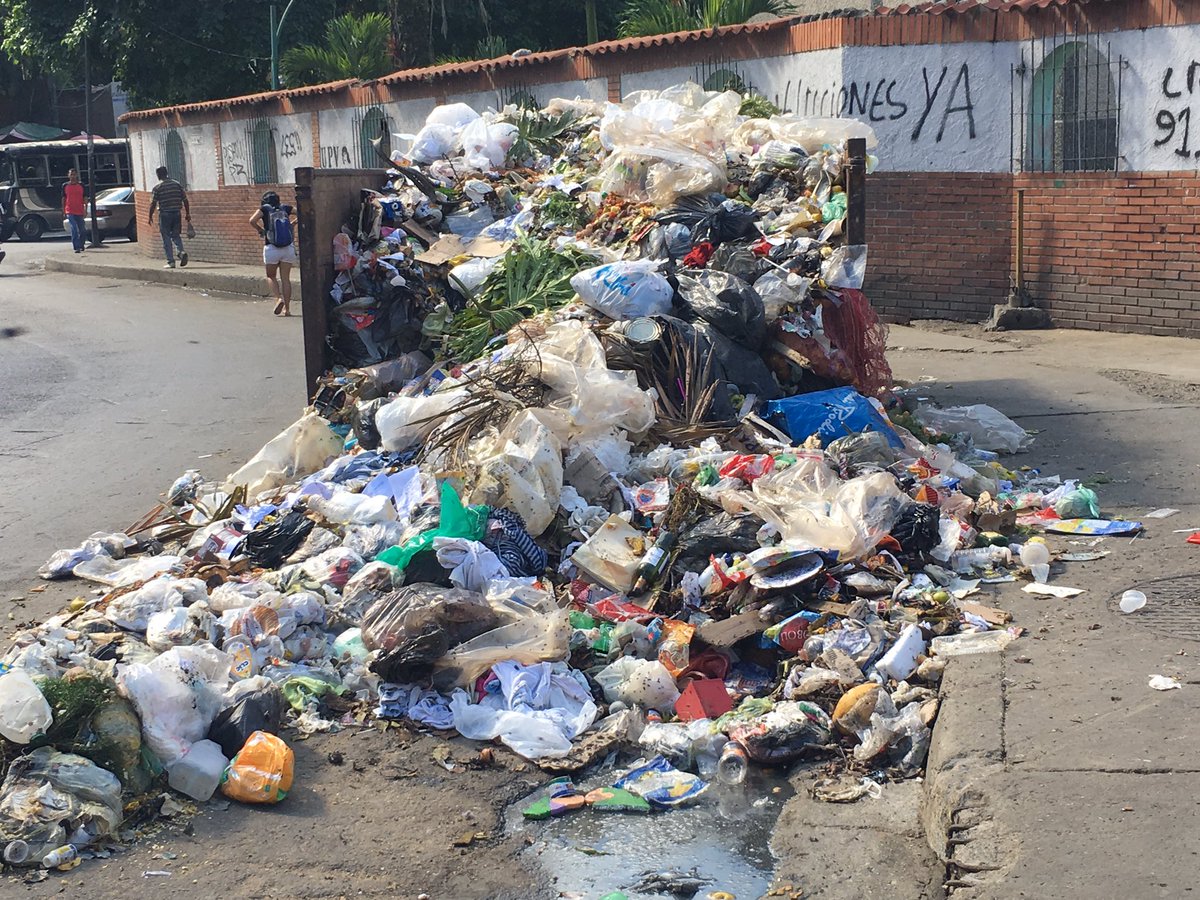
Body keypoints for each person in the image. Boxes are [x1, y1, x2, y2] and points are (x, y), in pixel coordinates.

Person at [249, 191, 297, 316]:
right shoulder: (286, 208)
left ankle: (278, 299)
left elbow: (252, 220)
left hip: (271, 247)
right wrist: (294, 223)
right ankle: (287, 309)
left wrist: (260, 230)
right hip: (288, 248)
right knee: (285, 278)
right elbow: (302, 211)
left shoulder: (264, 209)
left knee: (271, 276)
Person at [147, 166, 191, 269]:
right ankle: (181, 252)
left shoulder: (158, 188)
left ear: (158, 175)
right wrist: (188, 213)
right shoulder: (177, 185)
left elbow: (153, 204)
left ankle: (171, 262)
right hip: (177, 213)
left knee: (166, 238)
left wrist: (150, 216)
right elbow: (185, 200)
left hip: (165, 215)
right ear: (167, 173)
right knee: (176, 235)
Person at [63, 169, 87, 253]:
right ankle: (76, 247)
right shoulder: (65, 186)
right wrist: (63, 210)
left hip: (79, 210)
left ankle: (81, 244)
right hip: (69, 210)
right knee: (74, 228)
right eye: (71, 174)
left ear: (77, 175)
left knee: (83, 230)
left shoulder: (81, 185)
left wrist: (85, 209)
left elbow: (85, 198)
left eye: (74, 174)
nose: (72, 176)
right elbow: (63, 198)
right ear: (68, 176)